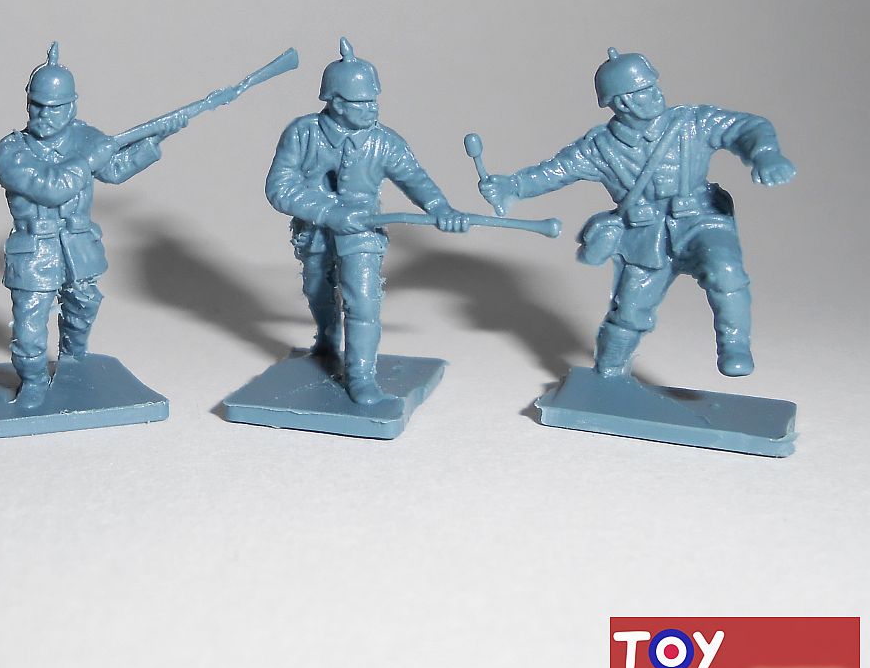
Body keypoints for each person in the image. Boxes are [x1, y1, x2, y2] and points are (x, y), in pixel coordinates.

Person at [478, 48, 794, 379]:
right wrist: (511, 186)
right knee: (628, 313)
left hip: (701, 220)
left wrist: (766, 154)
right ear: (621, 102)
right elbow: (555, 171)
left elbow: (746, 127)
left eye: (652, 86)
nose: (655, 94)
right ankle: (609, 373)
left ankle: (734, 345)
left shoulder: (691, 123)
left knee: (725, 269)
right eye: (642, 91)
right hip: (645, 237)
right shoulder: (599, 147)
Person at [266, 38, 469, 404]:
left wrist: (441, 209)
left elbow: (415, 179)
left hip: (362, 232)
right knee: (317, 291)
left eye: (374, 100)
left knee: (362, 303)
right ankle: (327, 338)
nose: (372, 108)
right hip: (314, 230)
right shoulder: (303, 133)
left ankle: (361, 375)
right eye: (362, 102)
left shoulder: (385, 142)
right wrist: (329, 213)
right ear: (336, 102)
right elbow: (279, 188)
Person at [0, 43, 184, 408]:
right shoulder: (10, 151)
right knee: (29, 327)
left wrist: (155, 139)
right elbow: (50, 188)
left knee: (83, 306)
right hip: (35, 251)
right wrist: (89, 158)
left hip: (77, 246)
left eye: (54, 107)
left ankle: (73, 361)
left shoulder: (85, 137)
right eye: (37, 105)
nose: (44, 114)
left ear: (71, 106)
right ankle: (33, 381)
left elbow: (114, 169)